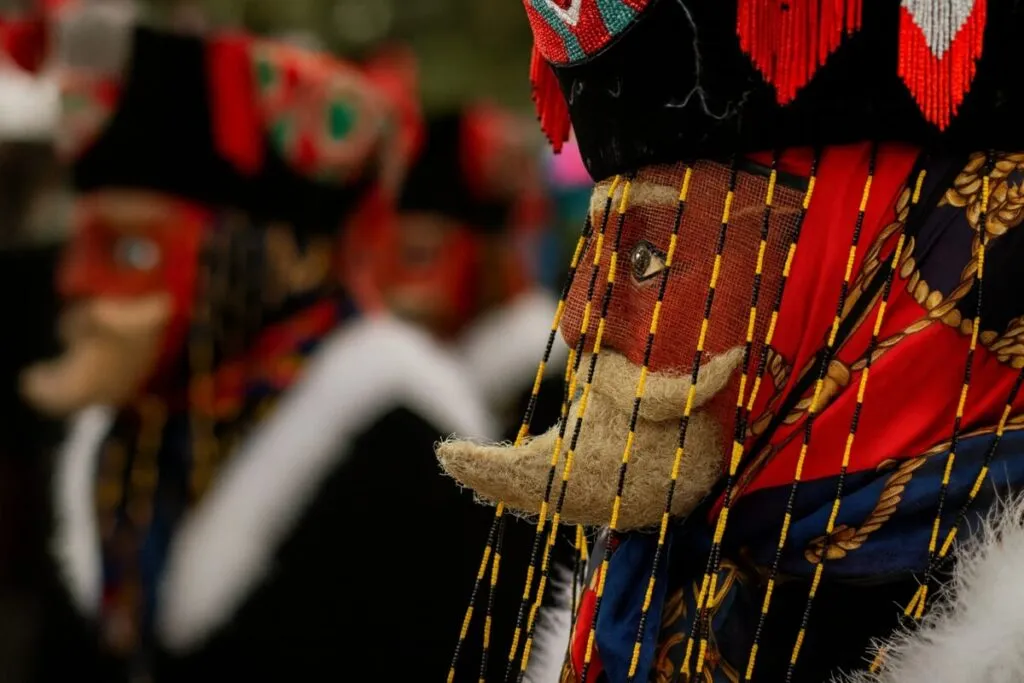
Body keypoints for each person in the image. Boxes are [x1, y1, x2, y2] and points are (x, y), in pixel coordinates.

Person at [439, 1, 1024, 682]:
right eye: (594, 255)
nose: (579, 321)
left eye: (652, 256)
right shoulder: (685, 572)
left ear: (866, 251)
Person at [20, 17, 502, 683]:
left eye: (130, 249)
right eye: (79, 246)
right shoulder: (116, 443)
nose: (73, 280)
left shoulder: (408, 461)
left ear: (261, 263)